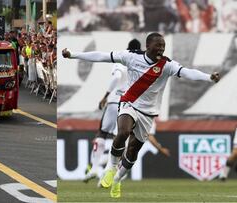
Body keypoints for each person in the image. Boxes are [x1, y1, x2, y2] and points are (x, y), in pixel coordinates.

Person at [62, 32, 220, 198]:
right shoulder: (131, 57)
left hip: (148, 113)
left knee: (132, 152)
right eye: (158, 46)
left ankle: (116, 181)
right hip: (129, 103)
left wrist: (209, 78)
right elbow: (101, 56)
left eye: (163, 46)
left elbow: (188, 72)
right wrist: (72, 55)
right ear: (148, 46)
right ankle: (111, 168)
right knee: (122, 132)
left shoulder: (167, 65)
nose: (161, 49)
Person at [83, 39, 170, 186]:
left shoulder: (124, 60)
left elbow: (116, 77)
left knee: (103, 133)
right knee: (122, 138)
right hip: (132, 104)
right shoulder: (141, 63)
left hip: (115, 102)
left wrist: (105, 95)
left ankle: (95, 167)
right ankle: (111, 173)